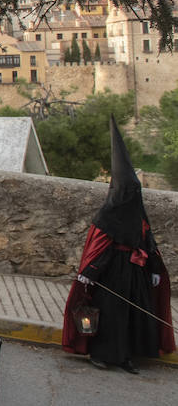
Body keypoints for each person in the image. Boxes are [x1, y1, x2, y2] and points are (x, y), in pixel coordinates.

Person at [62, 117, 174, 372]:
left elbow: (148, 240)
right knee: (111, 316)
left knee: (133, 316)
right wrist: (89, 274)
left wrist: (155, 269)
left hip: (136, 274)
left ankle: (126, 356)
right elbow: (99, 249)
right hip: (110, 275)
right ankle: (101, 355)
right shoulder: (107, 215)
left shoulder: (137, 213)